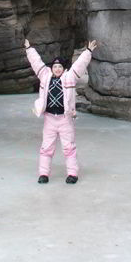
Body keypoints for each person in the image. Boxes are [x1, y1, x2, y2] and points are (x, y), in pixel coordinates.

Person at [23, 38, 97, 184]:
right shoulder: (44, 76)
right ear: (51, 68)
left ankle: (72, 174)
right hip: (49, 119)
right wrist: (29, 48)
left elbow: (79, 65)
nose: (57, 69)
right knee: (46, 147)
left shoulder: (69, 77)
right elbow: (36, 62)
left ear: (63, 69)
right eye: (55, 66)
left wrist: (88, 51)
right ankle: (43, 174)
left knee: (69, 148)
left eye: (59, 67)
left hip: (65, 119)